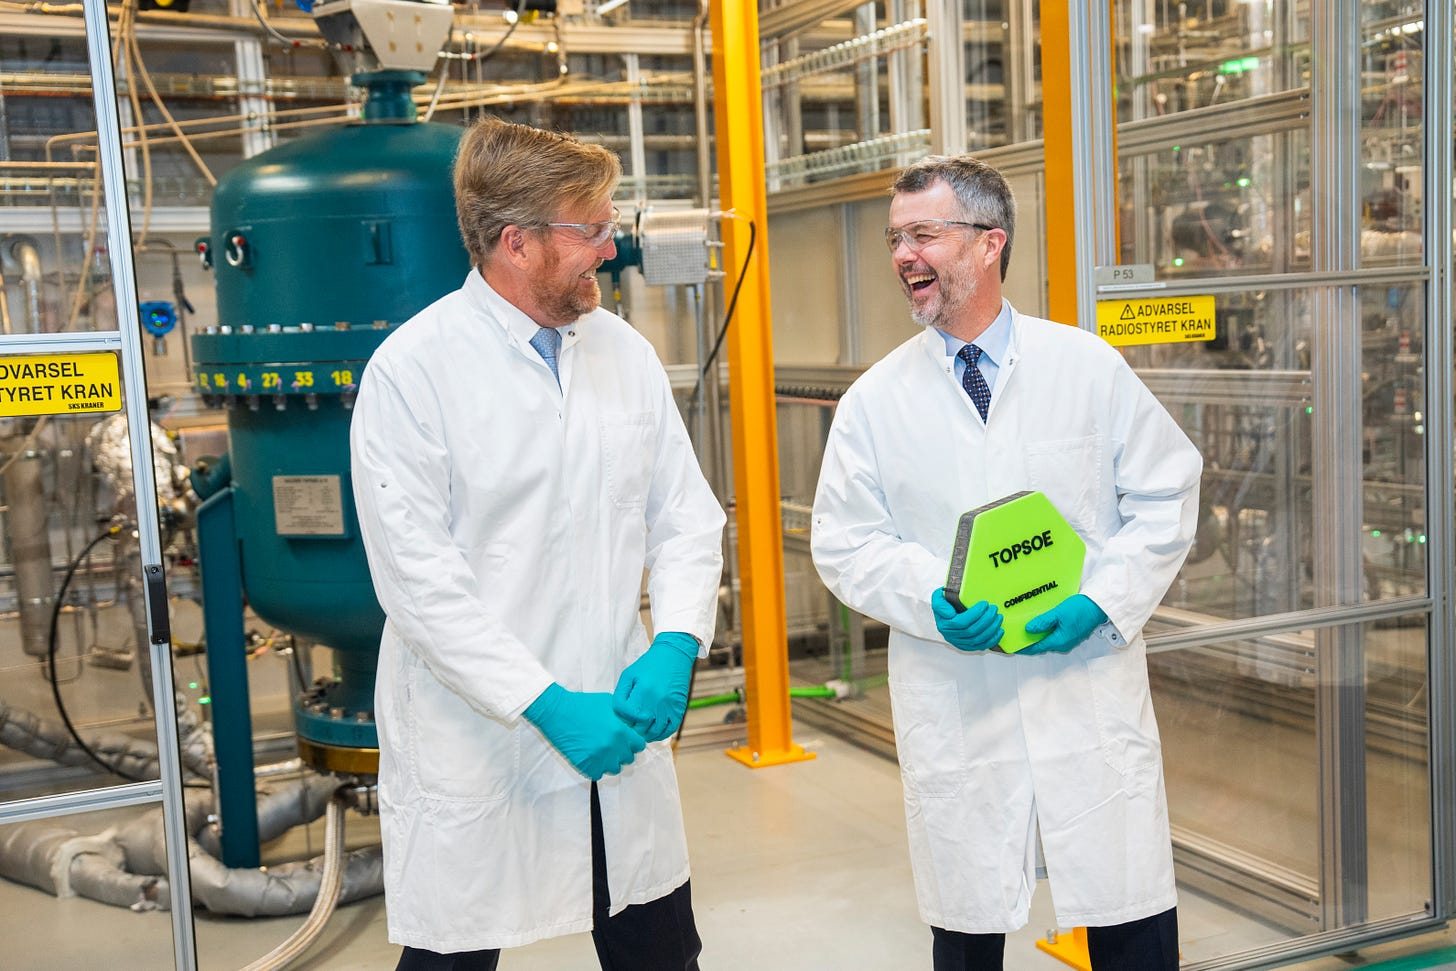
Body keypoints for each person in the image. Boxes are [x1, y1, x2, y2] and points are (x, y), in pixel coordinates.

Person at [351, 116, 725, 971]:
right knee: (454, 954)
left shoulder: (623, 353)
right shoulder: (415, 371)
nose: (609, 249)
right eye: (589, 229)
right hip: (484, 735)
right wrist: (545, 703)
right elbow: (419, 582)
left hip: (617, 725)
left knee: (659, 950)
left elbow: (685, 515)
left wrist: (675, 640)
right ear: (515, 242)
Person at [810, 154, 1202, 970]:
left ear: (990, 243)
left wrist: (1102, 601)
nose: (903, 255)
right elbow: (845, 540)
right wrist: (933, 597)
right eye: (895, 239)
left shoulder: (1085, 366)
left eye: (924, 234)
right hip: (959, 695)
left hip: (1083, 683)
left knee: (1128, 914)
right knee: (967, 924)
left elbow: (1168, 489)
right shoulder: (875, 401)